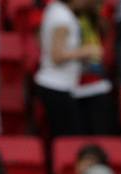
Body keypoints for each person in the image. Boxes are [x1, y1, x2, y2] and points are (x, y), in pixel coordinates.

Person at [34, 0, 104, 139]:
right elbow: (57, 56)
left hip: (55, 83)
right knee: (68, 138)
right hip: (57, 85)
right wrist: (86, 51)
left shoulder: (54, 9)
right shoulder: (63, 17)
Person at [72, 0, 115, 136]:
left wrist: (92, 9)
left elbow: (106, 31)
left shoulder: (98, 10)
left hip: (97, 81)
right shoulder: (63, 13)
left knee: (100, 133)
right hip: (71, 83)